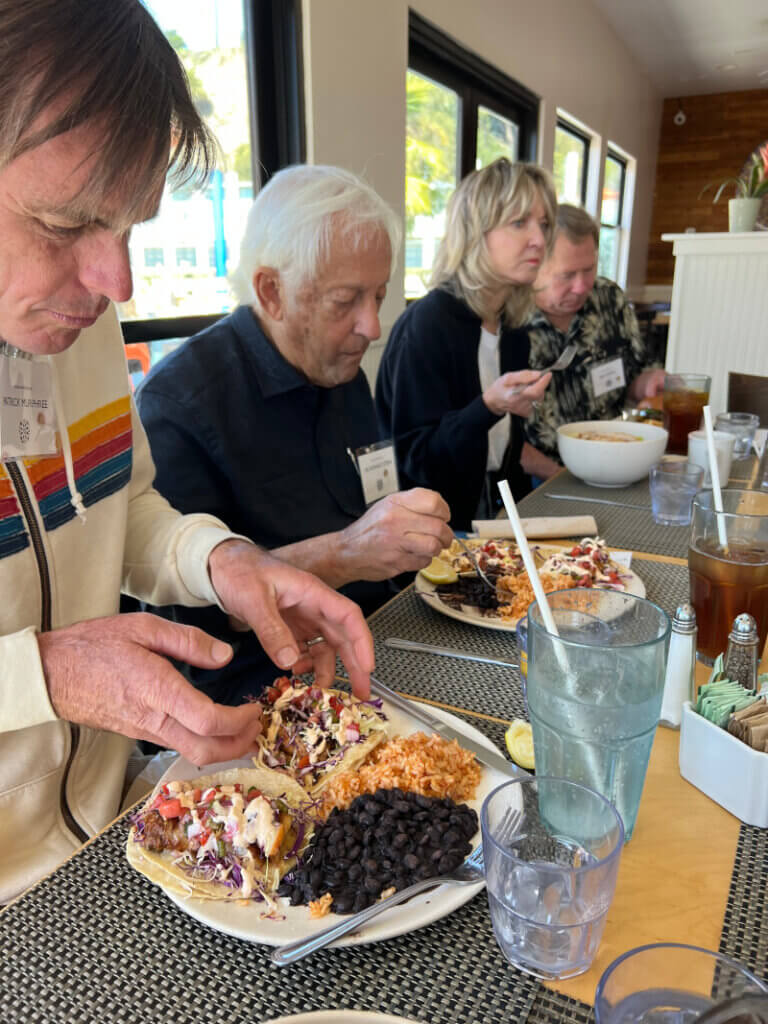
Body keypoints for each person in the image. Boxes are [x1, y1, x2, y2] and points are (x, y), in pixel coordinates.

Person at [0, 0, 374, 903]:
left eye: (129, 226)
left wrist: (221, 560)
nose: (115, 282)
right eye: (63, 226)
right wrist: (41, 674)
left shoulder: (78, 326)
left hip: (115, 829)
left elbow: (119, 504)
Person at [135, 165, 452, 704]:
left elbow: (376, 496)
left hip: (383, 642)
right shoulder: (179, 402)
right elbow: (188, 627)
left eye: (379, 295)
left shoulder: (342, 371)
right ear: (272, 292)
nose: (372, 327)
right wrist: (347, 552)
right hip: (262, 690)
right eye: (345, 300)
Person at [375, 159, 557, 531]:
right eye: (519, 222)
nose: (539, 239)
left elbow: (504, 451)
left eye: (544, 224)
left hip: (498, 514)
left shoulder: (515, 326)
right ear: (475, 232)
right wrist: (488, 406)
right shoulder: (426, 326)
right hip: (433, 528)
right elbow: (415, 460)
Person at [518, 204, 666, 480]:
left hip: (616, 459)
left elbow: (635, 379)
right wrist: (560, 478)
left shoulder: (609, 299)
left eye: (589, 270)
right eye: (567, 275)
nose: (582, 286)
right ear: (535, 266)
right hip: (538, 475)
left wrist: (647, 384)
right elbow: (496, 435)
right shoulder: (509, 320)